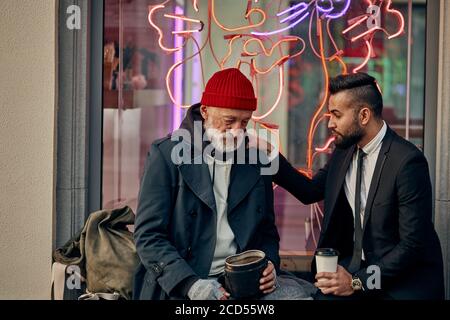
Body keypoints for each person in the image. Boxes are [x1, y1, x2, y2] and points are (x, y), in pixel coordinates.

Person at [133, 68, 315, 300]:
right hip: (182, 282)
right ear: (206, 111)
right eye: (229, 121)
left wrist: (268, 264)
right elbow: (148, 236)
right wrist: (191, 284)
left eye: (245, 122)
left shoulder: (256, 158)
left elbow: (267, 232)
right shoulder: (166, 155)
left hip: (244, 283)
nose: (237, 131)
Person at [273, 72, 444, 300]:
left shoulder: (407, 162)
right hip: (354, 269)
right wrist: (270, 158)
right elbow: (309, 191)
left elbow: (412, 245)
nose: (330, 123)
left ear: (364, 115)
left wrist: (357, 282)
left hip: (401, 283)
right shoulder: (344, 151)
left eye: (337, 115)